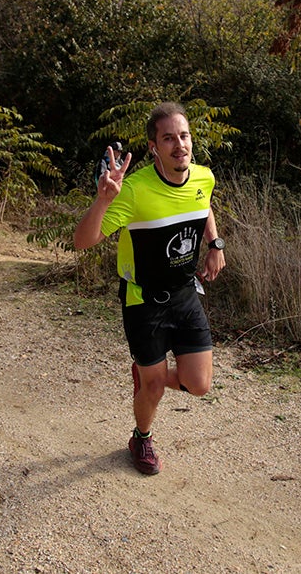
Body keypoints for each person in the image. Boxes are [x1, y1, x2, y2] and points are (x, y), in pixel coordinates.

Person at [74, 102, 226, 475]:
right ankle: (142, 437)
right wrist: (103, 199)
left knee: (200, 385)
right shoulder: (135, 190)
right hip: (143, 299)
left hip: (186, 293)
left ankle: (146, 375)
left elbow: (203, 204)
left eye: (184, 136)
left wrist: (215, 245)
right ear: (153, 147)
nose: (179, 145)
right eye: (168, 138)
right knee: (155, 388)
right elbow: (82, 241)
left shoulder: (203, 177)